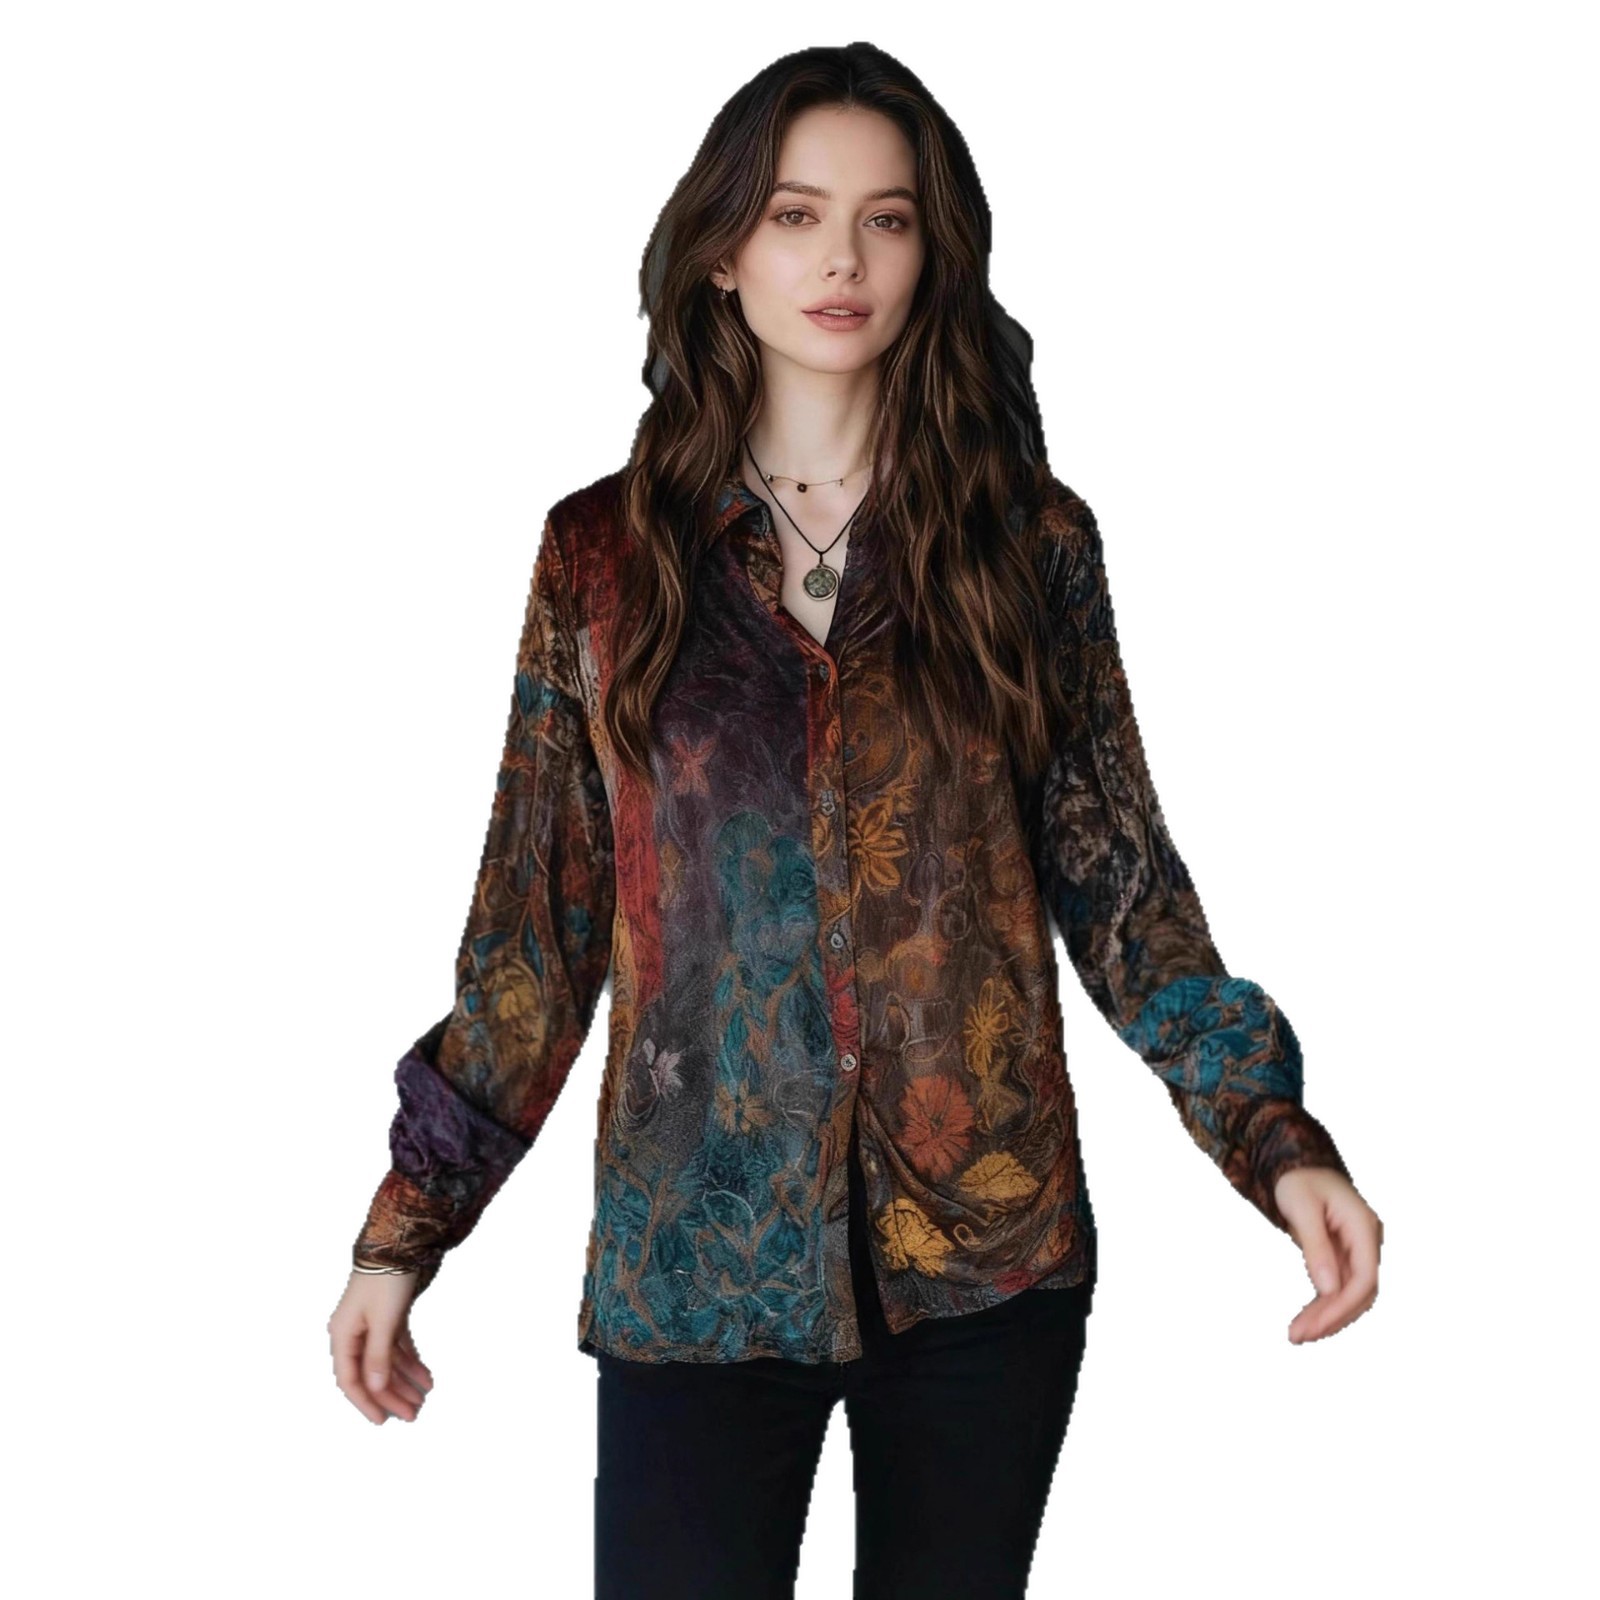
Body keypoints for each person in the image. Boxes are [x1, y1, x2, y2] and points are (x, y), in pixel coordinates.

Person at [327, 41, 1383, 1600]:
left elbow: (1122, 891)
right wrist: (403, 1231)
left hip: (986, 1266)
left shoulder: (1028, 544)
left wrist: (1276, 1145)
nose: (842, 260)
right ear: (722, 251)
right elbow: (536, 936)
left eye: (886, 220)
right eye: (796, 215)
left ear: (930, 252)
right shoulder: (602, 561)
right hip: (697, 1264)